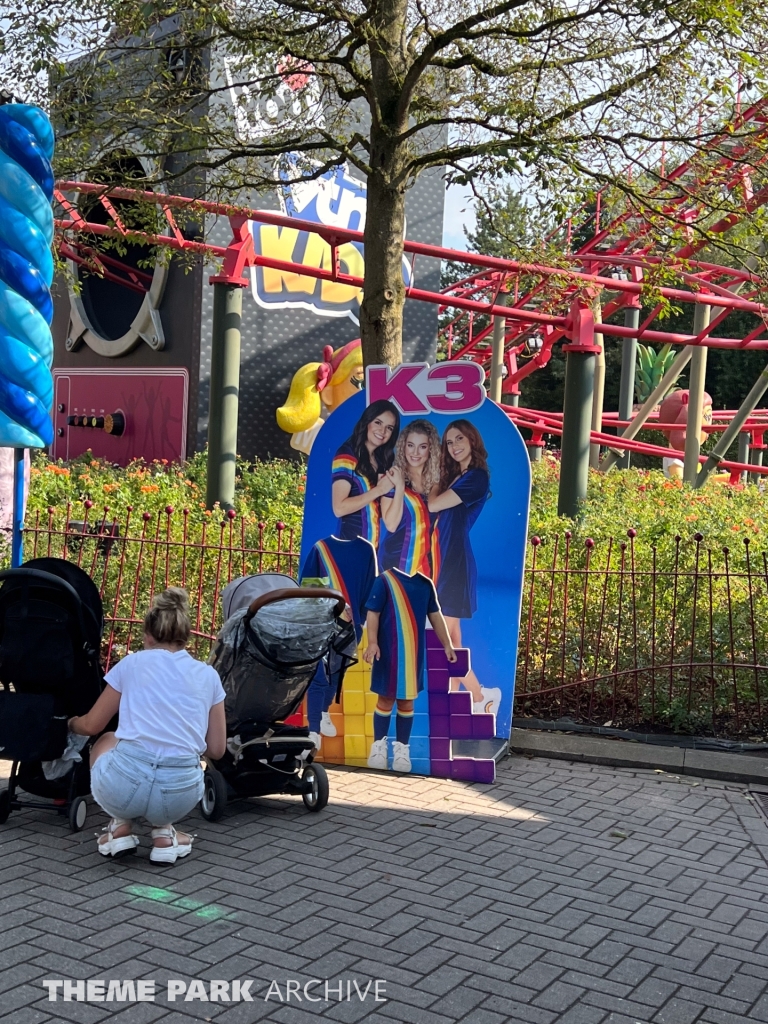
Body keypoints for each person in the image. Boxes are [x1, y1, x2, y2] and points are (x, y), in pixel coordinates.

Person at [67, 588, 227, 864]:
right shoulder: (209, 676)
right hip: (179, 794)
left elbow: (93, 725)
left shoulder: (132, 663)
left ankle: (119, 827)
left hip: (124, 786)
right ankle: (164, 834)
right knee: (170, 762)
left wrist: (72, 724)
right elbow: (216, 749)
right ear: (186, 637)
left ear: (149, 635)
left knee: (107, 738)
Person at [429, 420, 501, 717]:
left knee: (442, 636)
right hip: (442, 560)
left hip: (454, 564)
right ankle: (461, 702)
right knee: (453, 638)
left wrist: (433, 478)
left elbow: (433, 506)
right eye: (449, 442)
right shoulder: (459, 476)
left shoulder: (477, 477)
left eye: (459, 438)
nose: (454, 445)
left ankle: (478, 693)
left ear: (472, 440)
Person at [364, 568, 456, 772]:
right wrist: (372, 642)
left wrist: (447, 644)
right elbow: (373, 613)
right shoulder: (385, 580)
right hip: (386, 653)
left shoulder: (425, 584)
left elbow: (436, 615)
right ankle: (378, 747)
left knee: (406, 701)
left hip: (413, 657)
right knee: (385, 698)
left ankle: (402, 750)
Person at [331, 399, 400, 550]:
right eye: (378, 422)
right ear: (367, 422)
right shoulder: (347, 455)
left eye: (389, 428)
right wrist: (379, 490)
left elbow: (390, 523)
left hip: (372, 550)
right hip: (349, 547)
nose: (382, 431)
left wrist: (399, 486)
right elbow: (339, 508)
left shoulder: (383, 462)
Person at [379, 418, 441, 577]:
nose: (415, 453)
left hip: (427, 562)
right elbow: (391, 525)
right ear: (403, 447)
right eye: (410, 445)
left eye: (422, 447)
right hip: (396, 560)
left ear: (431, 450)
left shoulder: (438, 481)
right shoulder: (392, 477)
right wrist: (400, 487)